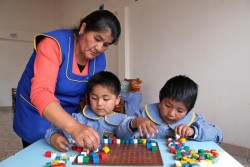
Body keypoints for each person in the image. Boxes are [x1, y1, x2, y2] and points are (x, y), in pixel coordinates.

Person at [13, 10, 121, 150]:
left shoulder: (99, 60)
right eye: (97, 39)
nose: (99, 48)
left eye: (106, 44)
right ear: (83, 28)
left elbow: (93, 95)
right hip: (36, 115)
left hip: (69, 118)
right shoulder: (53, 44)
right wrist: (74, 127)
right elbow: (41, 92)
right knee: (38, 155)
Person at [116, 75, 223, 144]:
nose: (171, 113)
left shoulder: (194, 120)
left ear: (188, 111)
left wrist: (193, 131)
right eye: (167, 105)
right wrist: (135, 122)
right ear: (160, 100)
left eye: (180, 111)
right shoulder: (144, 113)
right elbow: (120, 134)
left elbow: (218, 136)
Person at [45, 71, 127, 151]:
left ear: (117, 99)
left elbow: (134, 136)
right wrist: (55, 137)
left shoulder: (124, 121)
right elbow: (51, 130)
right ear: (88, 97)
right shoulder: (79, 119)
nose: (99, 103)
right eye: (94, 98)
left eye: (105, 99)